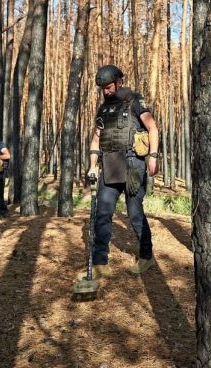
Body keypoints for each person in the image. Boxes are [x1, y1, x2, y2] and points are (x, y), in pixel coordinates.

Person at [81, 64, 159, 280]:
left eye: (109, 86)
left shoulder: (134, 101)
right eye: (103, 88)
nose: (106, 91)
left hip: (133, 164)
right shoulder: (104, 109)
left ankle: (146, 256)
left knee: (135, 214)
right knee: (103, 213)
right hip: (110, 165)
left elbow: (152, 127)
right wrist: (92, 165)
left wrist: (153, 156)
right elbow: (97, 138)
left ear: (118, 81)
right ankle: (99, 262)